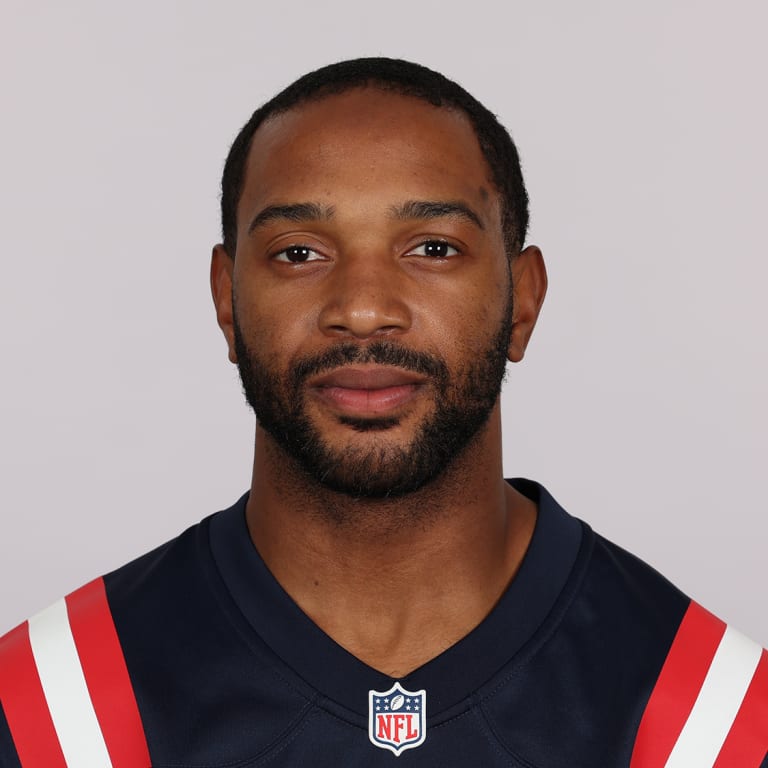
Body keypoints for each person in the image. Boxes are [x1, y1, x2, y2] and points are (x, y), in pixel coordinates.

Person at [0, 57, 765, 768]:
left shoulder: (711, 724)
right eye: (300, 252)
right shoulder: (53, 717)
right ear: (227, 302)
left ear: (523, 300)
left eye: (431, 248)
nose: (363, 310)